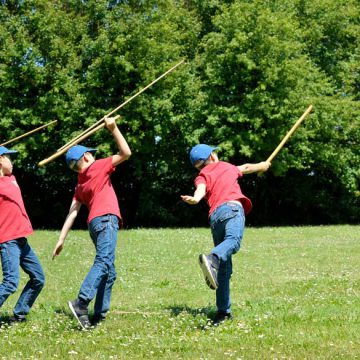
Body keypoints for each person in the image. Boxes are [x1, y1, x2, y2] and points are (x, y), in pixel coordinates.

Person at [52, 116, 131, 330]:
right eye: (91, 153)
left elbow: (72, 213)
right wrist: (113, 129)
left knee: (109, 270)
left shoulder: (80, 183)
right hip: (106, 220)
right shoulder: (99, 167)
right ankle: (81, 302)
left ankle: (99, 314)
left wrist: (61, 239)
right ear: (87, 156)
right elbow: (126, 153)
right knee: (104, 261)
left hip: (94, 225)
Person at [181, 144, 270, 324]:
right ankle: (213, 257)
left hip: (215, 217)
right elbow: (245, 167)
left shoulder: (201, 176)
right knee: (233, 242)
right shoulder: (226, 166)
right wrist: (262, 165)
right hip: (231, 208)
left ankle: (223, 313)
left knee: (224, 268)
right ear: (213, 156)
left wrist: (196, 199)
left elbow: (200, 190)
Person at [0, 146, 45, 324]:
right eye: (9, 158)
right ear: (1, 160)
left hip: (21, 240)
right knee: (11, 282)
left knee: (38, 278)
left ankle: (19, 314)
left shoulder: (12, 179)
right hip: (8, 240)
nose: (12, 162)